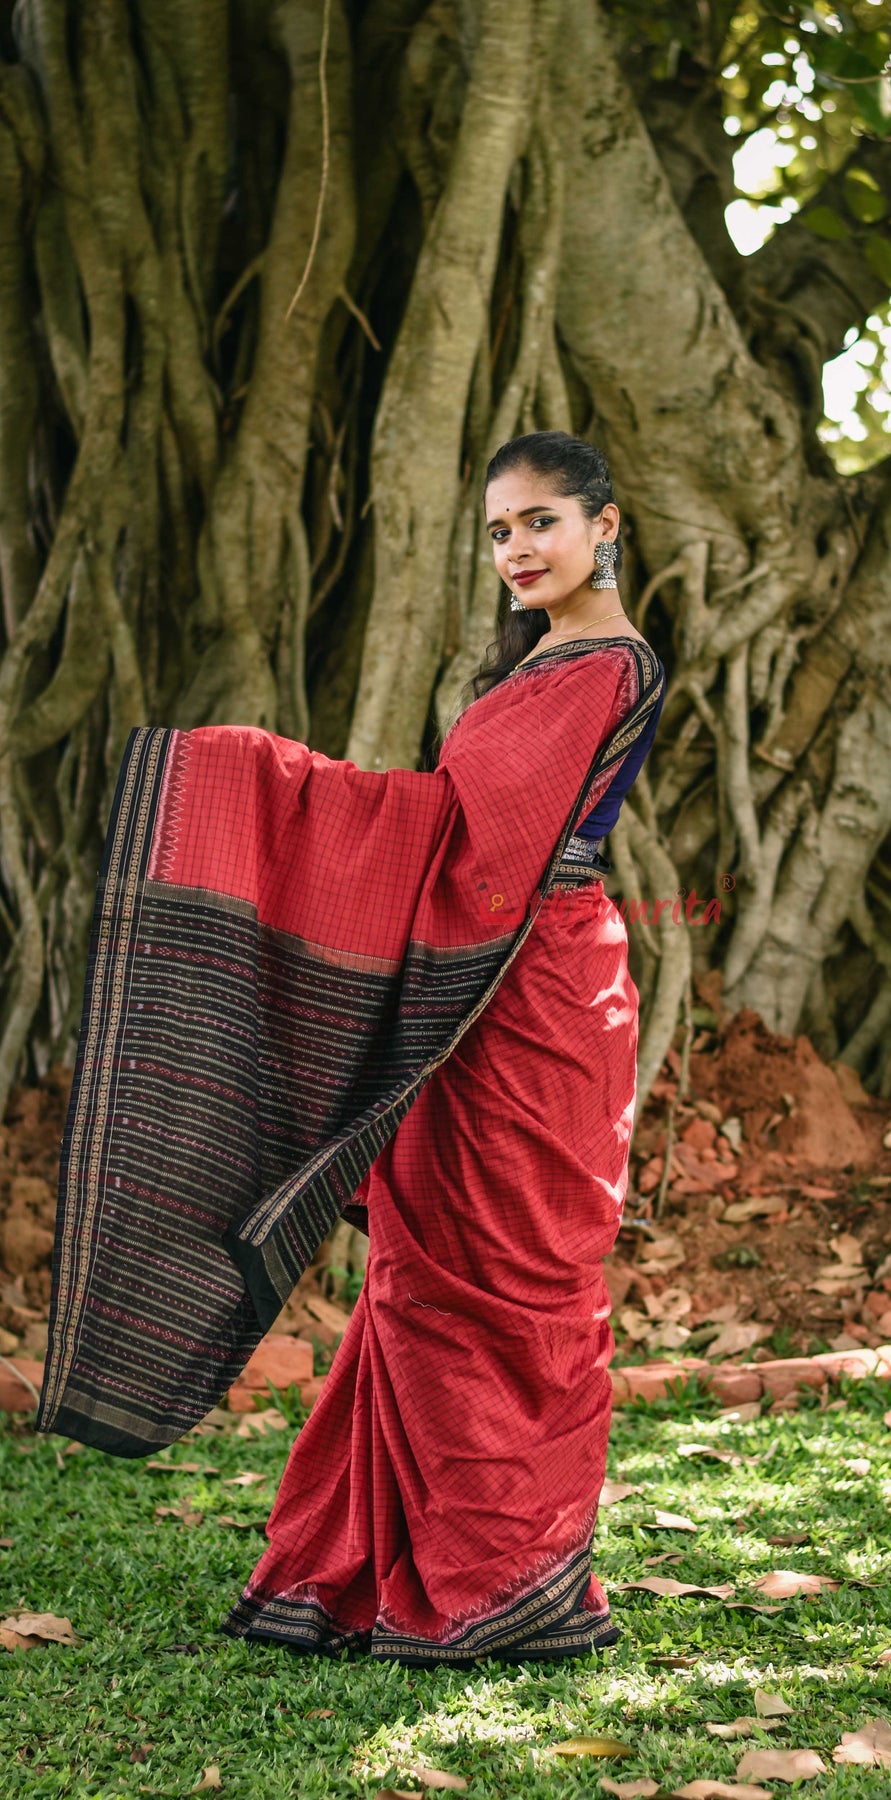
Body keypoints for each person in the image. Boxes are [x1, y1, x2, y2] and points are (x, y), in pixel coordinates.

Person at [37, 431, 665, 1667]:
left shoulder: (606, 663)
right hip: (475, 985)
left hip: (534, 991)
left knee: (516, 1267)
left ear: (605, 525)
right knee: (425, 1270)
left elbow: (474, 839)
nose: (518, 548)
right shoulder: (538, 660)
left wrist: (267, 781)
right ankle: (385, 1568)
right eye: (499, 531)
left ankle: (504, 1575)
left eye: (541, 521)